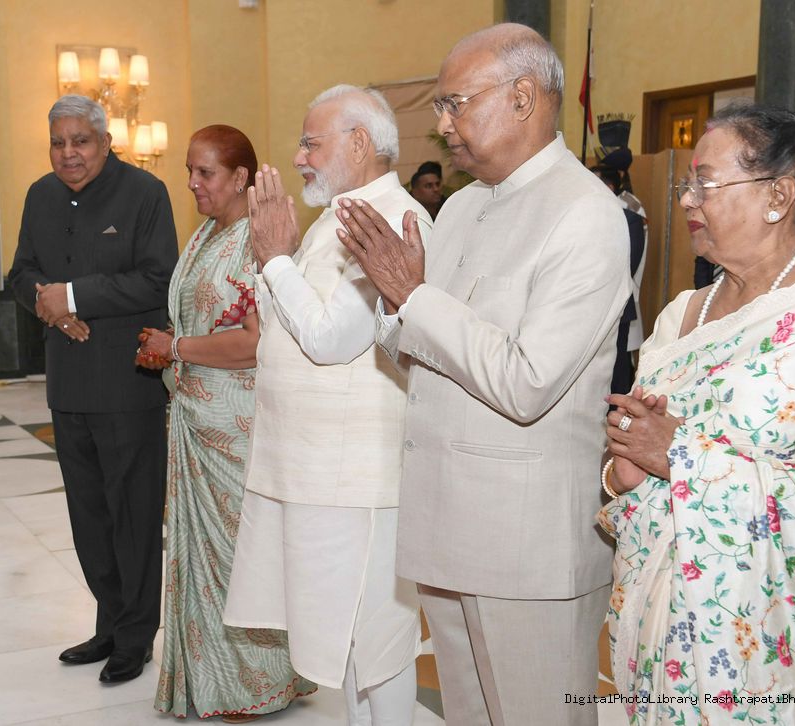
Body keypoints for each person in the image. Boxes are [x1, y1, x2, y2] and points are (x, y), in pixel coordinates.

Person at [337, 24, 630, 725]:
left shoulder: (585, 213)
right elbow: (427, 351)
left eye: (455, 104)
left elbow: (528, 382)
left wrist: (414, 298)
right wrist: (394, 308)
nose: (443, 126)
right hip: (446, 520)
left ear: (523, 98)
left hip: (525, 541)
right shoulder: (465, 204)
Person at [599, 104, 795, 723]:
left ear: (778, 196)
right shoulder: (682, 314)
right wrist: (623, 473)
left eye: (705, 182)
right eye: (686, 184)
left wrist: (679, 456)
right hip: (664, 614)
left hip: (772, 635)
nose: (686, 200)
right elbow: (636, 446)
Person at [224, 84, 432, 726]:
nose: (299, 156)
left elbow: (331, 340)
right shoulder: (338, 218)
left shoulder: (392, 220)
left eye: (311, 142)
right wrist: (279, 261)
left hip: (358, 481)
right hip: (314, 473)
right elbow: (287, 327)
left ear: (360, 143)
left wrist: (275, 260)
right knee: (342, 639)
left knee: (377, 642)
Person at [136, 125, 314, 720]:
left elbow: (254, 343)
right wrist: (171, 348)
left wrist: (176, 347)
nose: (192, 183)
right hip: (195, 415)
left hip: (237, 426)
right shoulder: (207, 233)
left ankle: (256, 684)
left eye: (205, 172)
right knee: (201, 555)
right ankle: (208, 680)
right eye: (190, 170)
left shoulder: (256, 242)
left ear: (241, 178)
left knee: (240, 556)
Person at [8, 95, 177, 683]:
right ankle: (109, 623)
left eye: (80, 140)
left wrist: (73, 296)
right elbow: (21, 272)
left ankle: (137, 635)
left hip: (128, 385)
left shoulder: (145, 193)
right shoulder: (40, 195)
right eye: (58, 142)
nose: (68, 153)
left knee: (133, 516)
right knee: (89, 518)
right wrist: (48, 305)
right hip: (68, 385)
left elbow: (157, 279)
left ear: (106, 141)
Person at [593, 163, 647, 396]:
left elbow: (628, 265)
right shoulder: (579, 218)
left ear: (609, 187)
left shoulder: (631, 220)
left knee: (617, 372)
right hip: (584, 307)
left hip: (616, 307)